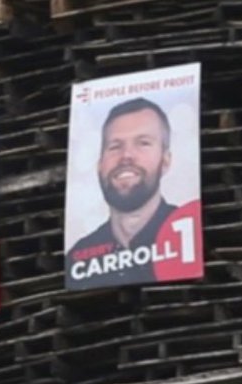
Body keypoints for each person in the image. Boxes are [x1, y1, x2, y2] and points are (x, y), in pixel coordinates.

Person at [66, 97, 184, 289]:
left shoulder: (186, 236)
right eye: (115, 146)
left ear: (166, 160)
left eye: (143, 143)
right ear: (99, 164)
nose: (126, 156)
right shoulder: (79, 256)